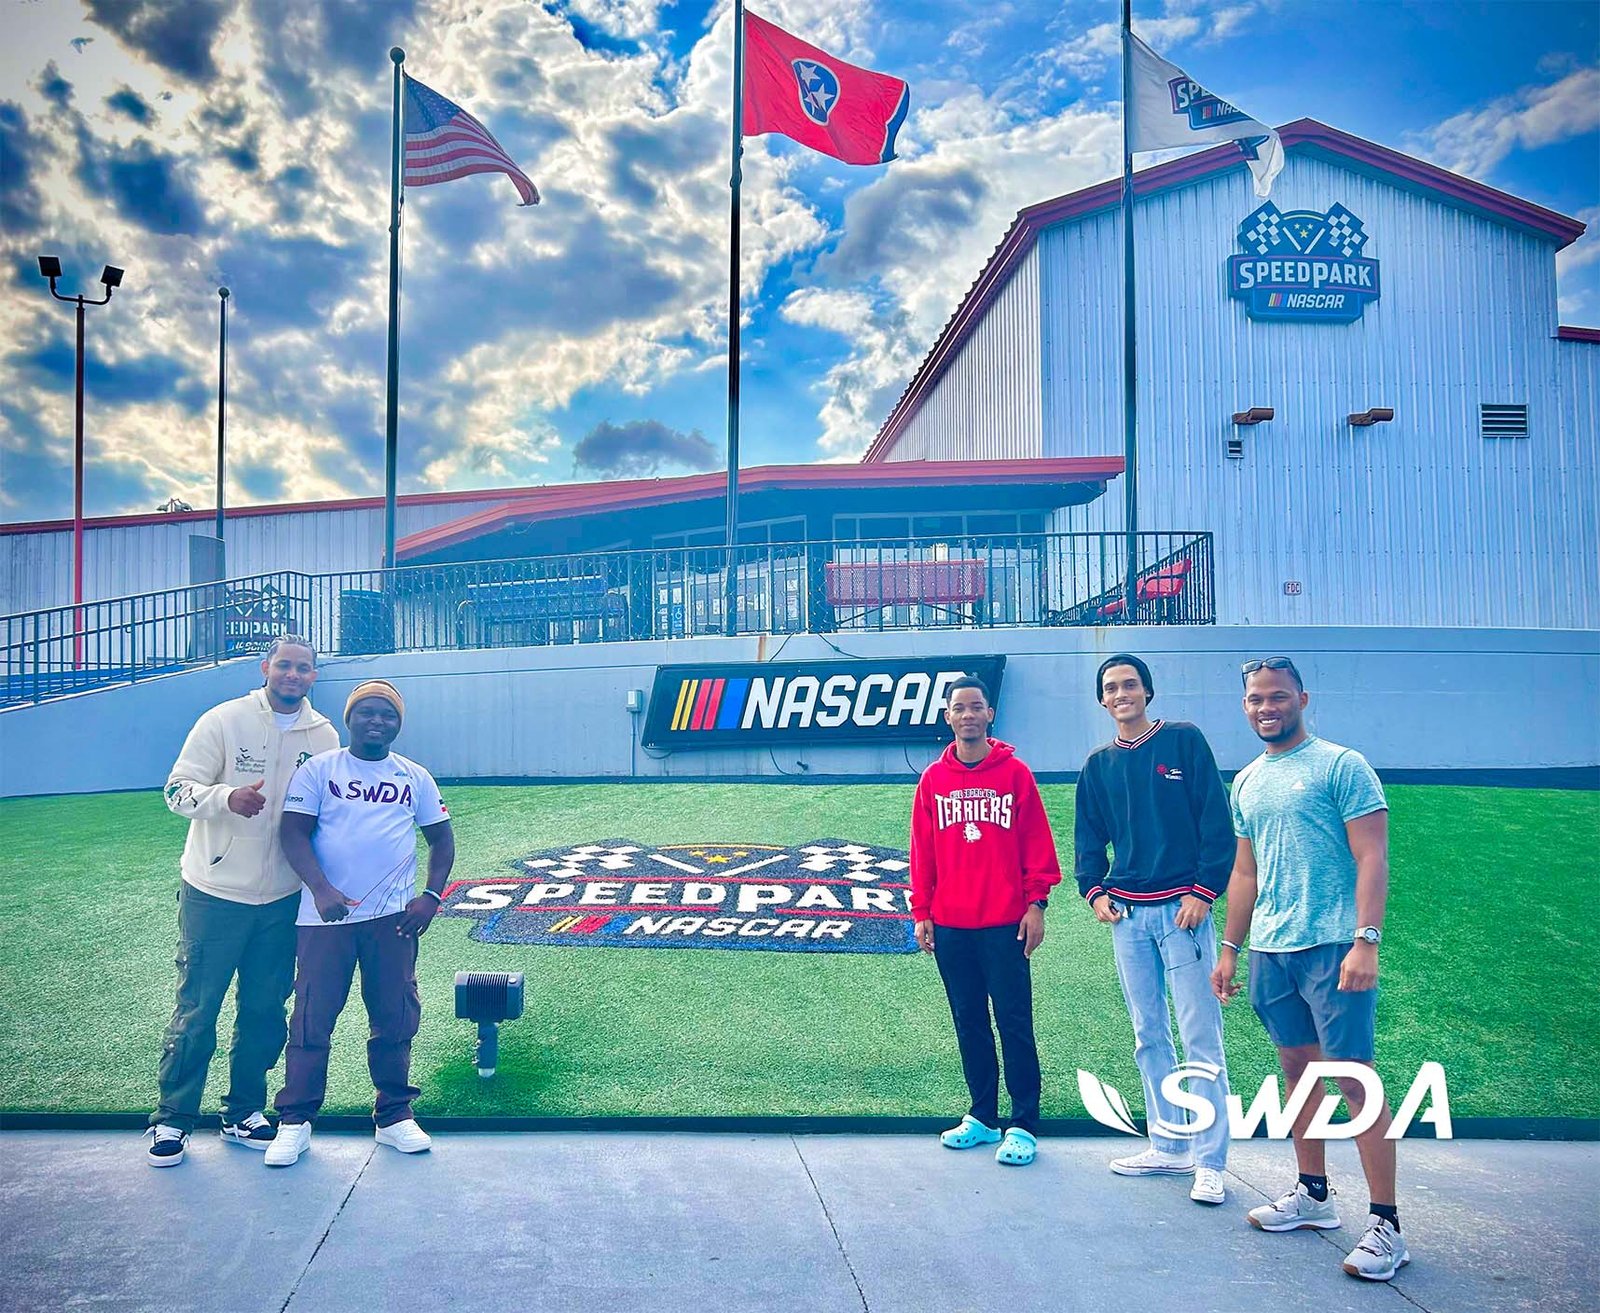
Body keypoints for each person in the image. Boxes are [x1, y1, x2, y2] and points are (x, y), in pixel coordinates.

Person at [1211, 657, 1407, 1281]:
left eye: (1277, 696)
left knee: (1352, 1078)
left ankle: (1387, 1224)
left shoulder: (1342, 766)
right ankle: (1314, 1194)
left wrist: (1366, 941)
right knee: (1297, 1071)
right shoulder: (1247, 781)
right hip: (1272, 948)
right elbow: (1245, 872)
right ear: (1245, 706)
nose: (1265, 708)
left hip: (1332, 944)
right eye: (1255, 699)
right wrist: (1230, 948)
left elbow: (1372, 856)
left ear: (1302, 698)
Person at [148, 634, 339, 1167]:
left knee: (264, 1010)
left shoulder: (324, 736)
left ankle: (243, 1111)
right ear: (265, 667)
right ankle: (173, 1117)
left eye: (303, 668)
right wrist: (225, 798)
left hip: (281, 899)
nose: (293, 675)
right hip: (214, 893)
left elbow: (326, 812)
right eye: (284, 665)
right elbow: (176, 790)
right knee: (197, 1009)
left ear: (314, 676)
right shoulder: (223, 720)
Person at [264, 679, 454, 1167]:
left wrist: (431, 897)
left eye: (388, 715)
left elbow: (441, 840)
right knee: (311, 1018)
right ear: (349, 718)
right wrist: (322, 890)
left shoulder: (414, 776)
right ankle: (295, 1120)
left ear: (398, 724)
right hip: (324, 919)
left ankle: (394, 1115)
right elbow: (293, 834)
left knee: (395, 1015)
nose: (377, 721)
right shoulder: (319, 770)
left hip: (392, 922)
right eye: (367, 712)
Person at [1075, 654, 1235, 1205]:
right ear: (1102, 700)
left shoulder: (1184, 741)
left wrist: (1204, 891)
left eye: (1130, 685)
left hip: (1183, 914)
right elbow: (1088, 839)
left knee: (1200, 1036)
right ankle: (1168, 1146)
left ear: (1147, 692)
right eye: (1111, 688)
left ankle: (1210, 1161)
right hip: (1128, 918)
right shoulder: (1098, 766)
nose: (1121, 694)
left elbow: (1216, 823)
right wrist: (1095, 891)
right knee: (1149, 1034)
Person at [910, 675, 1062, 1167]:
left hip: (1005, 922)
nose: (968, 715)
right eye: (959, 708)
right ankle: (982, 1116)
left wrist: (1036, 904)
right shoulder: (933, 780)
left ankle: (1023, 1124)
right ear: (948, 717)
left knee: (1014, 1021)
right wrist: (922, 911)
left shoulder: (1015, 774)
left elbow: (1037, 843)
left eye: (976, 706)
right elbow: (923, 852)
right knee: (969, 1019)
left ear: (989, 714)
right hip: (952, 924)